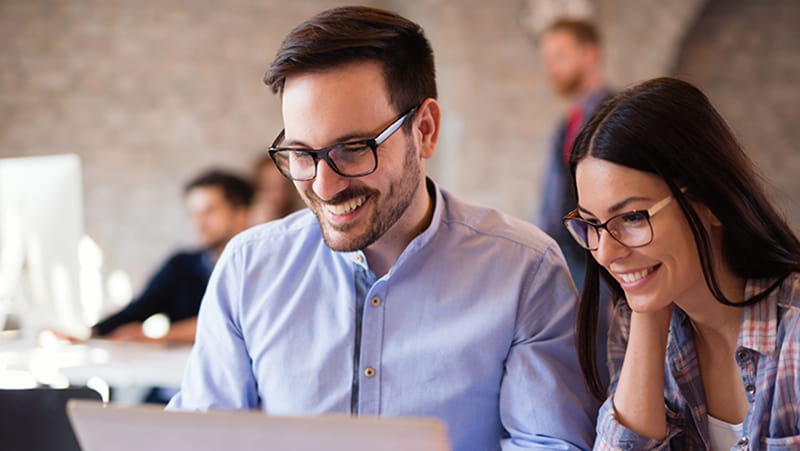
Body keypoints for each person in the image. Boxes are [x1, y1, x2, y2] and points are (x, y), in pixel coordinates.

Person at [168, 6, 598, 450]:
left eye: (353, 149)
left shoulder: (524, 271)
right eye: (301, 154)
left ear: (425, 130)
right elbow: (202, 436)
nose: (324, 185)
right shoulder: (248, 268)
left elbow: (551, 445)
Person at [562, 77, 800, 449]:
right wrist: (648, 314)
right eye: (592, 224)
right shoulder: (633, 327)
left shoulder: (794, 333)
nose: (605, 253)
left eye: (633, 217)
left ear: (710, 201)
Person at [535, 18, 614, 390]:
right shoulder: (570, 120)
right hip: (569, 259)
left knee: (602, 363)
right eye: (547, 57)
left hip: (598, 264)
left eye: (561, 55)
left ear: (590, 54)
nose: (551, 66)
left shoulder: (613, 116)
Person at [91, 169, 253, 344]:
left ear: (240, 214)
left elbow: (233, 321)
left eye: (209, 211)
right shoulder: (181, 265)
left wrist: (159, 337)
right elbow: (138, 310)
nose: (198, 223)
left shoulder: (259, 265)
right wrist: (91, 333)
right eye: (194, 213)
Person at [248, 154, 302, 225]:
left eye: (285, 185)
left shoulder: (300, 219)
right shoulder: (244, 221)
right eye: (270, 186)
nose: (279, 193)